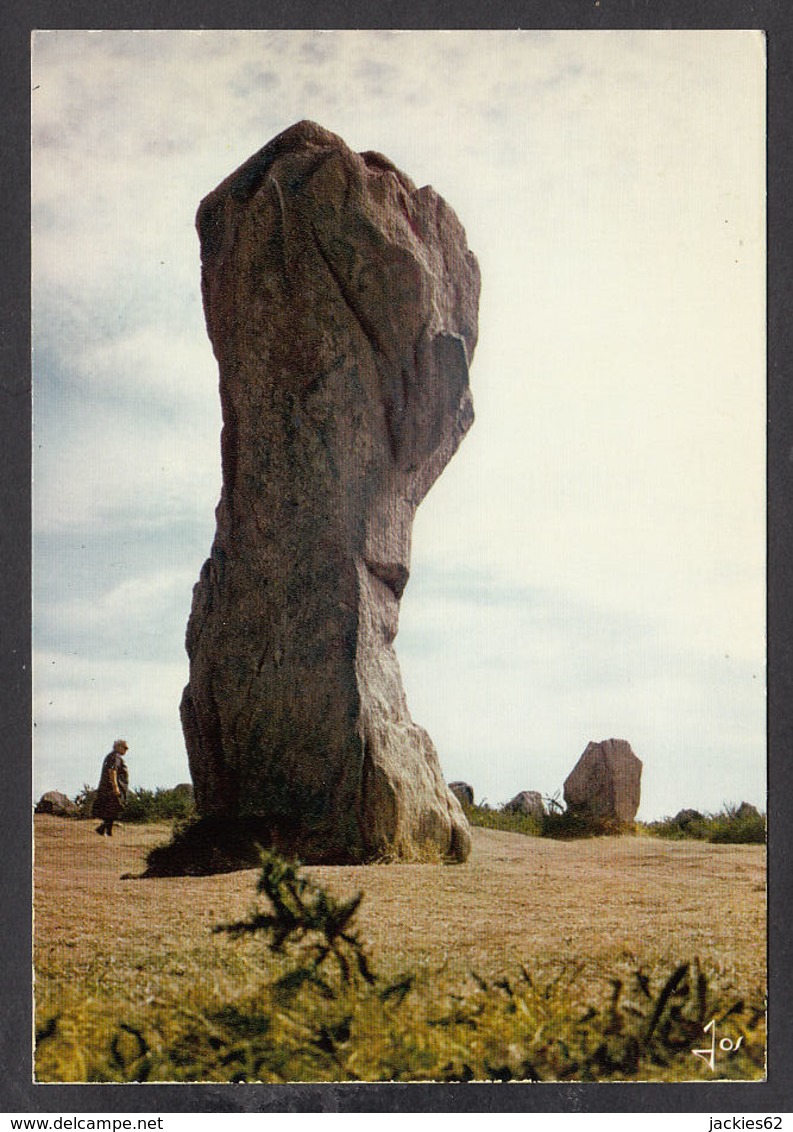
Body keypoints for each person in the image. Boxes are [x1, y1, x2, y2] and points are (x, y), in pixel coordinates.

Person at [93, 740, 129, 836]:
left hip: (110, 788)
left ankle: (107, 831)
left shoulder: (114, 756)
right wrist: (115, 787)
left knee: (112, 810)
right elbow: (112, 771)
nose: (126, 750)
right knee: (114, 809)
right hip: (110, 788)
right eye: (125, 747)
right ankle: (103, 829)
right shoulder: (114, 757)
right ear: (118, 747)